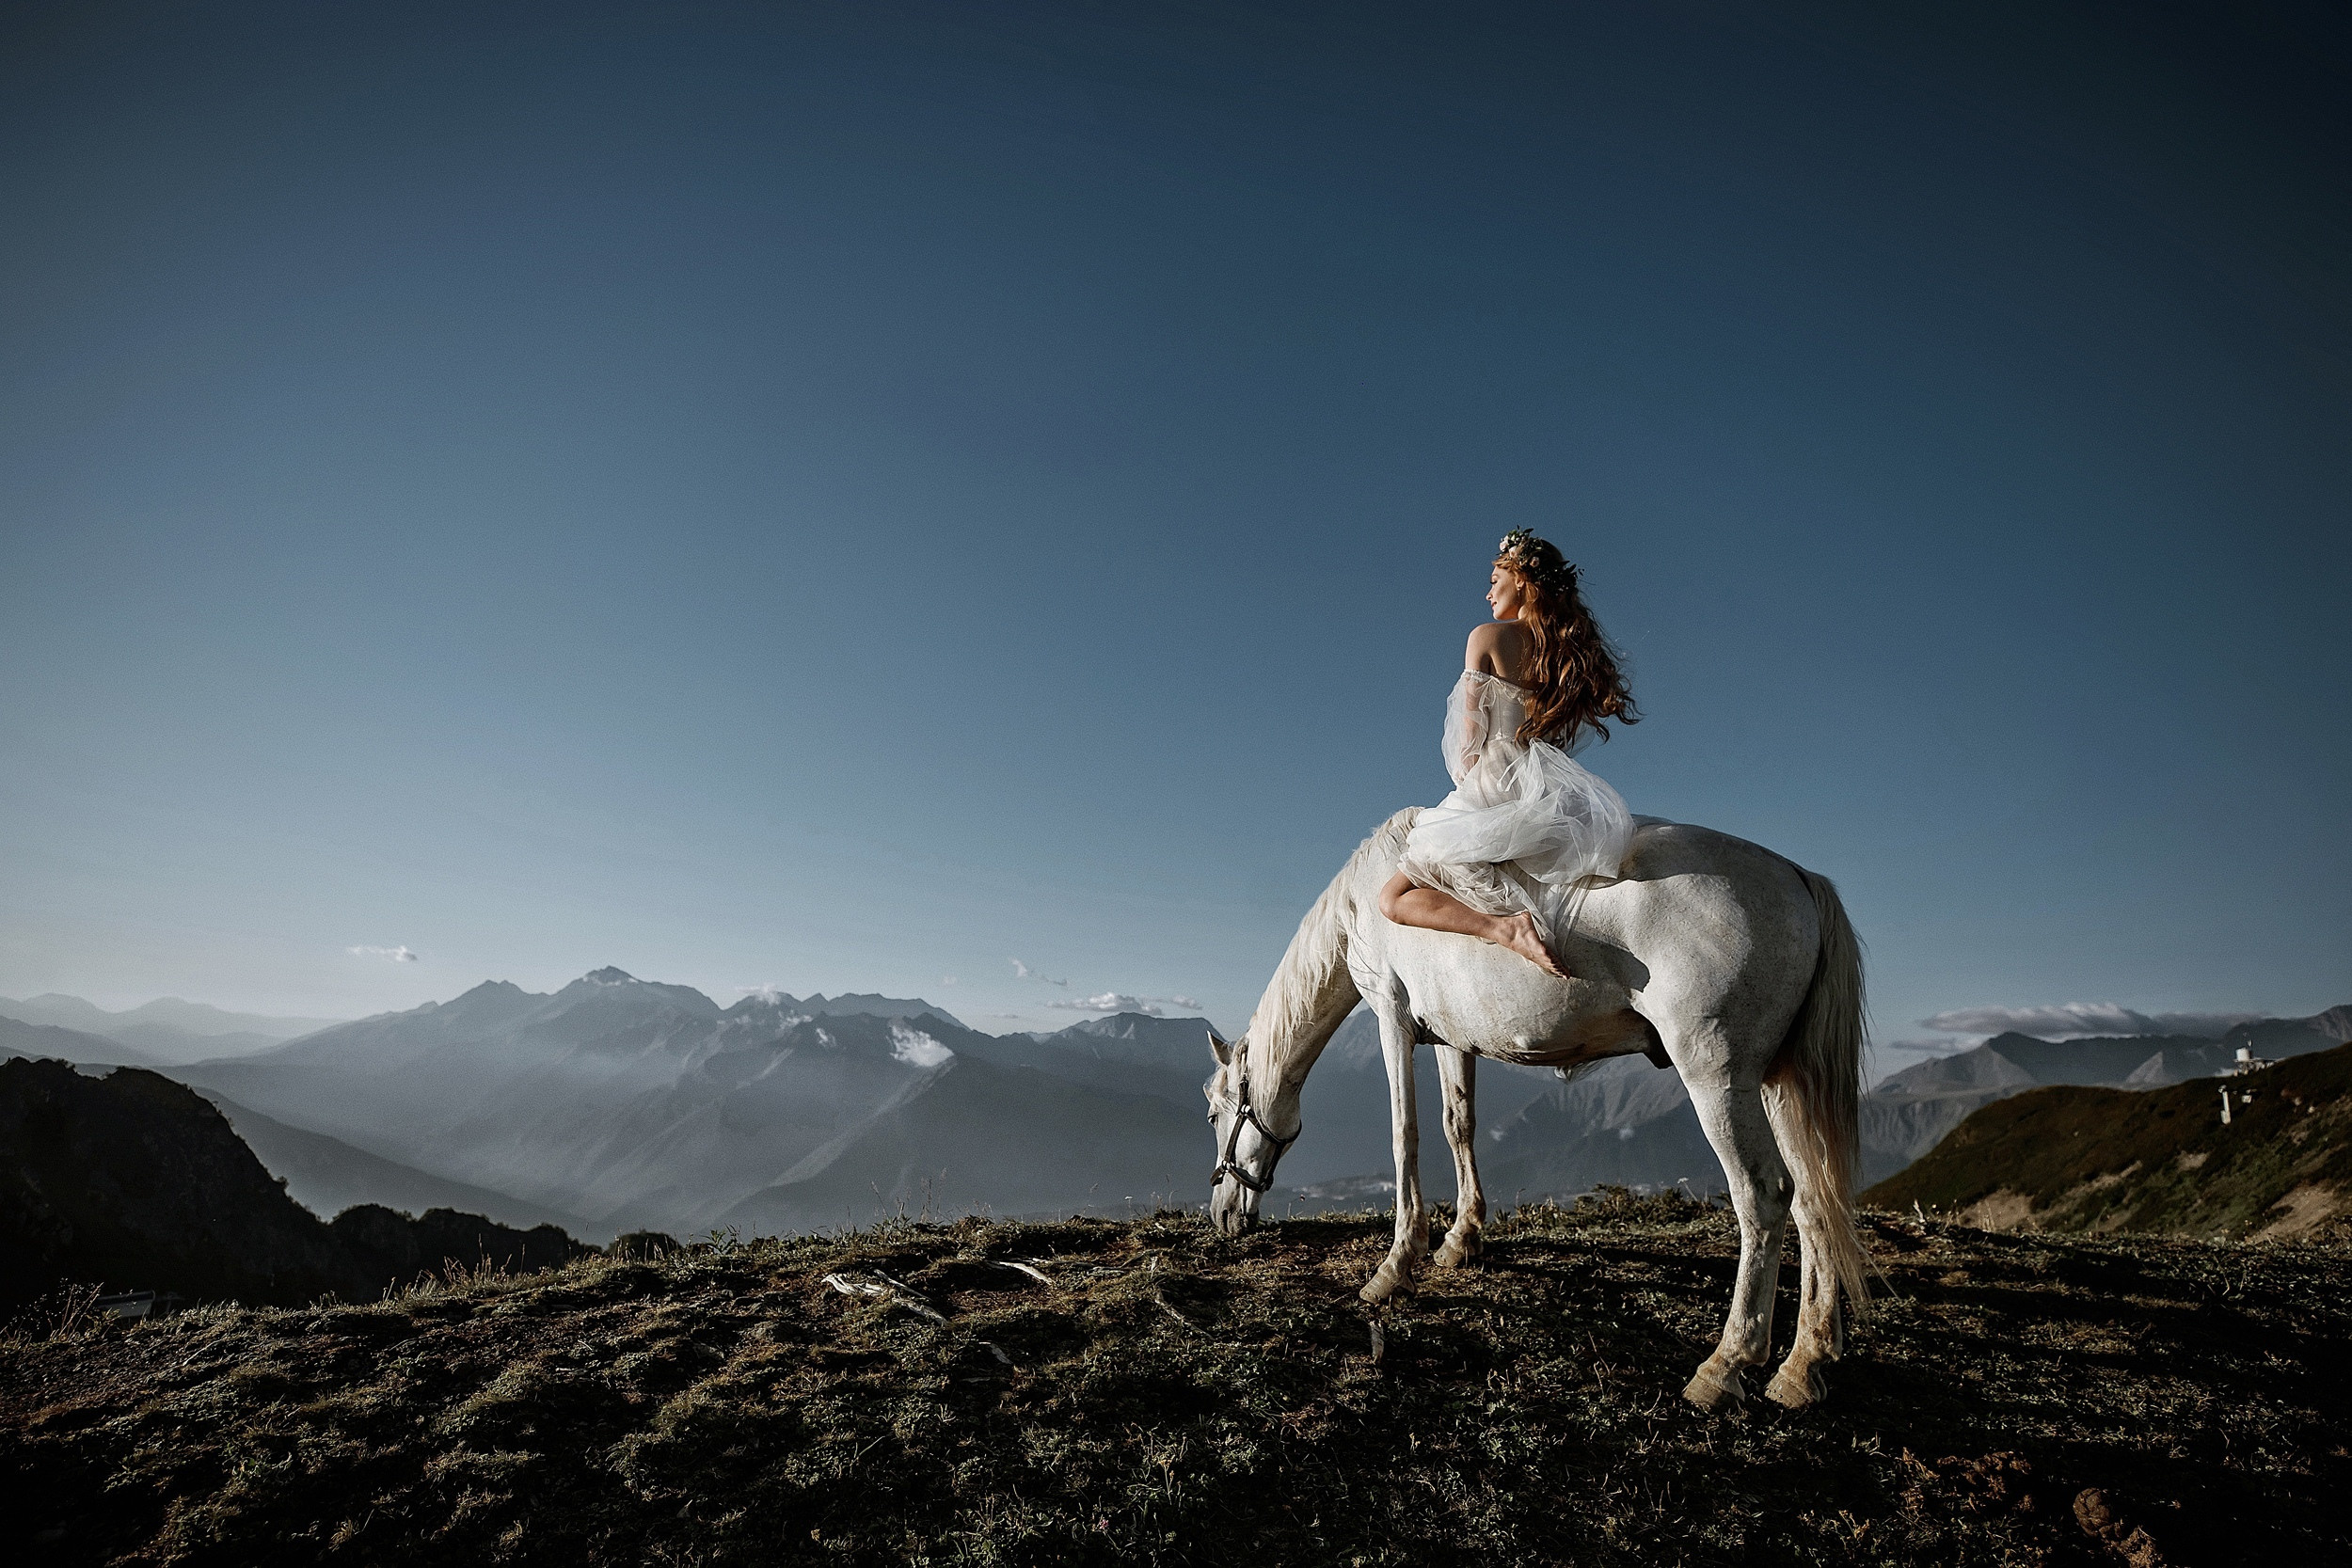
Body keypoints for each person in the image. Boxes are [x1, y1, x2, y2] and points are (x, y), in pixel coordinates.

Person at [1377, 530, 1639, 977]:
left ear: (1520, 579)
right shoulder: (1565, 656)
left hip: (1495, 779)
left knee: (1392, 899)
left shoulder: (1487, 637)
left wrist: (1466, 800)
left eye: (1494, 577)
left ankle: (1503, 929)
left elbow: (1468, 745)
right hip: (1546, 784)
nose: (1487, 591)